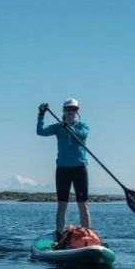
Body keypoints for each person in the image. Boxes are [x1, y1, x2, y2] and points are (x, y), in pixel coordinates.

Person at [36, 98, 90, 237]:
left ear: (77, 112)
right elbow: (40, 131)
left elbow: (83, 135)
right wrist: (41, 114)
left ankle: (87, 234)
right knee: (61, 204)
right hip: (63, 170)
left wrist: (69, 127)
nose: (71, 112)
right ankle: (59, 233)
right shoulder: (57, 127)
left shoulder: (82, 125)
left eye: (74, 109)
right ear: (64, 111)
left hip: (80, 168)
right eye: (68, 109)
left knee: (83, 204)